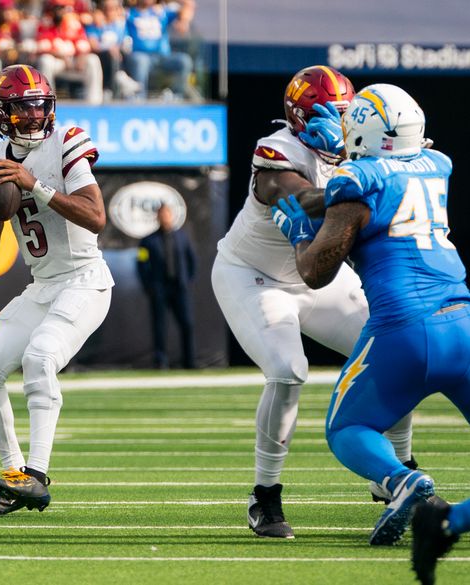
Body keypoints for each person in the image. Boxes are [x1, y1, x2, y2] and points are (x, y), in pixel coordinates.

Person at [210, 65, 415, 539]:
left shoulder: (357, 150)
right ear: (298, 117)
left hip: (314, 275)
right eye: (330, 115)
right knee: (288, 371)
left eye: (346, 115)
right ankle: (265, 496)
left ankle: (399, 473)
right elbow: (302, 199)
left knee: (399, 344)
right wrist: (355, 167)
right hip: (253, 276)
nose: (342, 124)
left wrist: (354, 159)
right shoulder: (277, 151)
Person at [270, 84, 468, 548]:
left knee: (346, 429)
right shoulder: (439, 166)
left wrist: (301, 233)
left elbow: (317, 273)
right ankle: (452, 520)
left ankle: (400, 481)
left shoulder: (356, 179)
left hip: (403, 326)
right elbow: (399, 169)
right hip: (461, 318)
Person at [0, 64, 113, 515]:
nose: (33, 116)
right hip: (43, 283)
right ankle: (13, 476)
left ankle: (37, 474)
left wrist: (37, 186)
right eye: (21, 108)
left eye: (38, 106)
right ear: (0, 114)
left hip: (85, 279)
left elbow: (95, 217)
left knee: (41, 356)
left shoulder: (66, 141)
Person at [136, 202, 196, 369]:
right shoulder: (147, 241)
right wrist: (149, 286)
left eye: (167, 214)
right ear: (157, 217)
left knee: (187, 324)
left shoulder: (182, 237)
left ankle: (189, 362)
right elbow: (141, 264)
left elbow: (191, 260)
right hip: (159, 289)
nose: (164, 218)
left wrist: (187, 280)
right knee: (160, 326)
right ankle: (160, 361)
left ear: (171, 215)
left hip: (179, 288)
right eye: (161, 215)